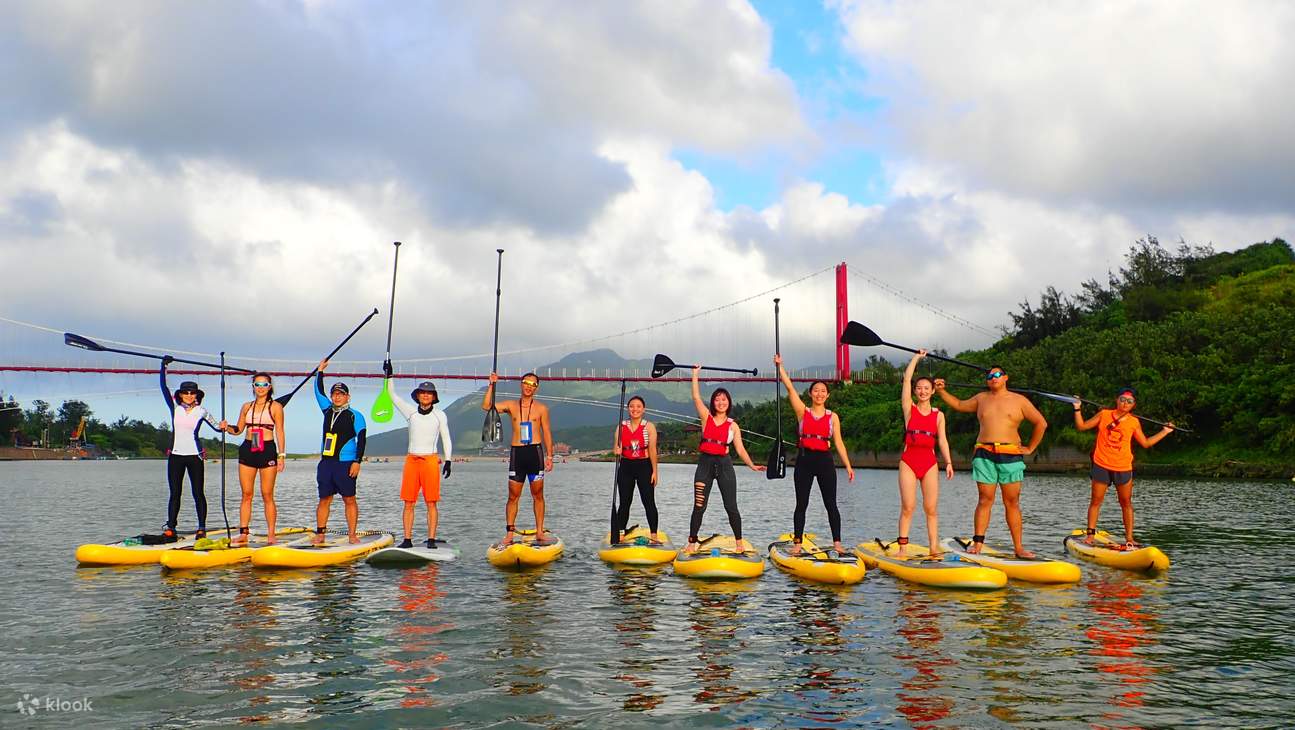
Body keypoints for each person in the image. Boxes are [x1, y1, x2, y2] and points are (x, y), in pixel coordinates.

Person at [933, 365, 1047, 558]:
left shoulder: (1019, 401)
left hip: (1010, 455)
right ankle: (977, 544)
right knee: (985, 499)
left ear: (1005, 378)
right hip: (984, 453)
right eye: (989, 375)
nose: (993, 377)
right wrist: (942, 391)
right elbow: (959, 405)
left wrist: (1030, 448)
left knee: (1012, 502)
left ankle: (1019, 548)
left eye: (997, 374)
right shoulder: (981, 398)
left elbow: (1041, 423)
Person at [1073, 388, 1175, 548]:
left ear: (1133, 405)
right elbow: (1081, 426)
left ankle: (1129, 538)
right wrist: (1077, 408)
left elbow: (1146, 443)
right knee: (1096, 501)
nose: (1125, 403)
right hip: (1102, 464)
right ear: (1117, 400)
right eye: (1122, 399)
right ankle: (1090, 536)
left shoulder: (1134, 422)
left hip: (1123, 466)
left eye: (1129, 401)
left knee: (1126, 502)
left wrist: (1165, 431)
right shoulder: (1104, 414)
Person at [774, 355, 854, 555]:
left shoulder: (832, 417)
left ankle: (837, 543)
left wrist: (848, 466)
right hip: (804, 460)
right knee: (802, 503)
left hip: (824, 460)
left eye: (823, 391)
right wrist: (780, 367)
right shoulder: (803, 412)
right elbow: (790, 388)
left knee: (831, 504)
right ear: (810, 394)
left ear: (827, 396)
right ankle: (798, 543)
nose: (819, 394)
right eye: (816, 391)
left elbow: (839, 443)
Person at [687, 365, 765, 554]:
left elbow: (740, 449)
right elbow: (696, 397)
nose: (720, 402)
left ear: (728, 403)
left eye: (724, 400)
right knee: (699, 505)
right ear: (713, 403)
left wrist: (752, 465)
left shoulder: (733, 426)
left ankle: (739, 543)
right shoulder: (706, 417)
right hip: (705, 463)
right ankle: (692, 542)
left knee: (731, 506)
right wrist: (695, 375)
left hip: (724, 465)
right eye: (717, 399)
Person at [384, 360, 453, 549]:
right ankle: (407, 539)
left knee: (431, 502)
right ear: (417, 396)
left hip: (430, 461)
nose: (425, 395)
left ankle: (431, 539)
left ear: (433, 397)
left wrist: (448, 460)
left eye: (429, 393)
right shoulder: (410, 412)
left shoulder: (440, 415)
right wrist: (389, 376)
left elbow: (446, 438)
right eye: (422, 392)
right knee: (408, 502)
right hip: (412, 461)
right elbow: (392, 395)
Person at [482, 371, 554, 546]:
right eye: (526, 383)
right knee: (513, 496)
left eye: (532, 384)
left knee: (538, 494)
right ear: (521, 384)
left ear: (536, 388)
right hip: (517, 453)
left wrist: (550, 455)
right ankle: (509, 533)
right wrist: (491, 384)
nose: (528, 387)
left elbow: (546, 432)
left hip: (535, 453)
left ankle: (539, 531)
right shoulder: (511, 405)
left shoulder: (542, 408)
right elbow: (486, 406)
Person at [897, 351, 954, 557]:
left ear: (932, 391)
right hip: (909, 461)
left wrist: (948, 462)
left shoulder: (938, 415)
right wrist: (916, 358)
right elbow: (906, 379)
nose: (922, 391)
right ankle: (902, 549)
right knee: (908, 507)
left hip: (929, 462)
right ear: (915, 391)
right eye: (919, 388)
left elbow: (943, 440)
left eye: (926, 388)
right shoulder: (909, 409)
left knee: (931, 508)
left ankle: (933, 548)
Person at [159, 357, 221, 539]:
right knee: (175, 493)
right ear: (180, 395)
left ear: (197, 395)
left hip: (195, 457)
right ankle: (171, 527)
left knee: (198, 493)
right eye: (185, 392)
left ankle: (201, 528)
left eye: (192, 393)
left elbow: (217, 427)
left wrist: (227, 426)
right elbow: (163, 387)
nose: (188, 395)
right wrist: (163, 366)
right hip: (176, 457)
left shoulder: (202, 411)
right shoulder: (174, 408)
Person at [221, 372, 285, 544]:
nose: (261, 388)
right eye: (257, 384)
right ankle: (243, 533)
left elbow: (279, 431)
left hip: (268, 450)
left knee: (267, 494)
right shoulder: (246, 407)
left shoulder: (276, 407)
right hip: (248, 449)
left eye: (264, 385)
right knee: (246, 494)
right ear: (253, 387)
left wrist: (282, 455)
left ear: (269, 387)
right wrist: (227, 428)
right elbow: (239, 429)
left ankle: (271, 534)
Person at [313, 359, 366, 544]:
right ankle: (320, 534)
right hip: (326, 463)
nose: (337, 397)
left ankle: (352, 535)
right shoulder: (327, 410)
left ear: (348, 397)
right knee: (324, 499)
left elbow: (362, 439)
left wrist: (357, 461)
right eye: (334, 394)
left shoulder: (355, 416)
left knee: (349, 499)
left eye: (341, 394)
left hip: (346, 463)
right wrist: (320, 372)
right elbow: (318, 391)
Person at [611, 395, 660, 544]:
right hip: (626, 467)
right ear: (628, 409)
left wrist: (655, 471)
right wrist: (616, 450)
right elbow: (615, 448)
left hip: (644, 466)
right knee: (625, 502)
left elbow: (652, 450)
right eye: (632, 406)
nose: (635, 409)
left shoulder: (649, 427)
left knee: (649, 502)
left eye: (638, 406)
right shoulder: (621, 426)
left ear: (643, 409)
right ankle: (620, 532)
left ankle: (654, 535)